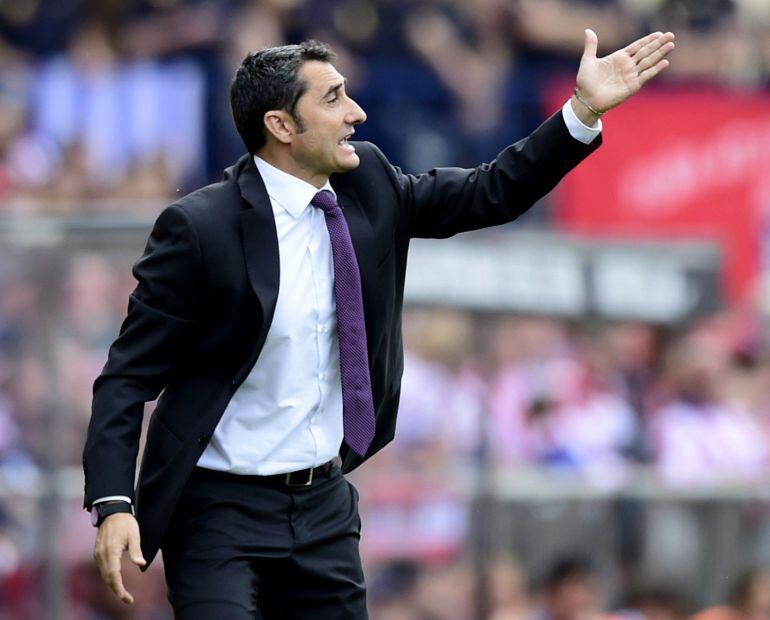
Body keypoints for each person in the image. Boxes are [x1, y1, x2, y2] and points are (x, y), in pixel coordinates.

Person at [82, 28, 675, 619]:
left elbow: (489, 192)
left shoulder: (368, 180)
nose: (357, 113)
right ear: (281, 126)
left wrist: (583, 111)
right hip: (217, 511)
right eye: (334, 99)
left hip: (322, 508)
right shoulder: (199, 228)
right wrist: (114, 503)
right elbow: (127, 377)